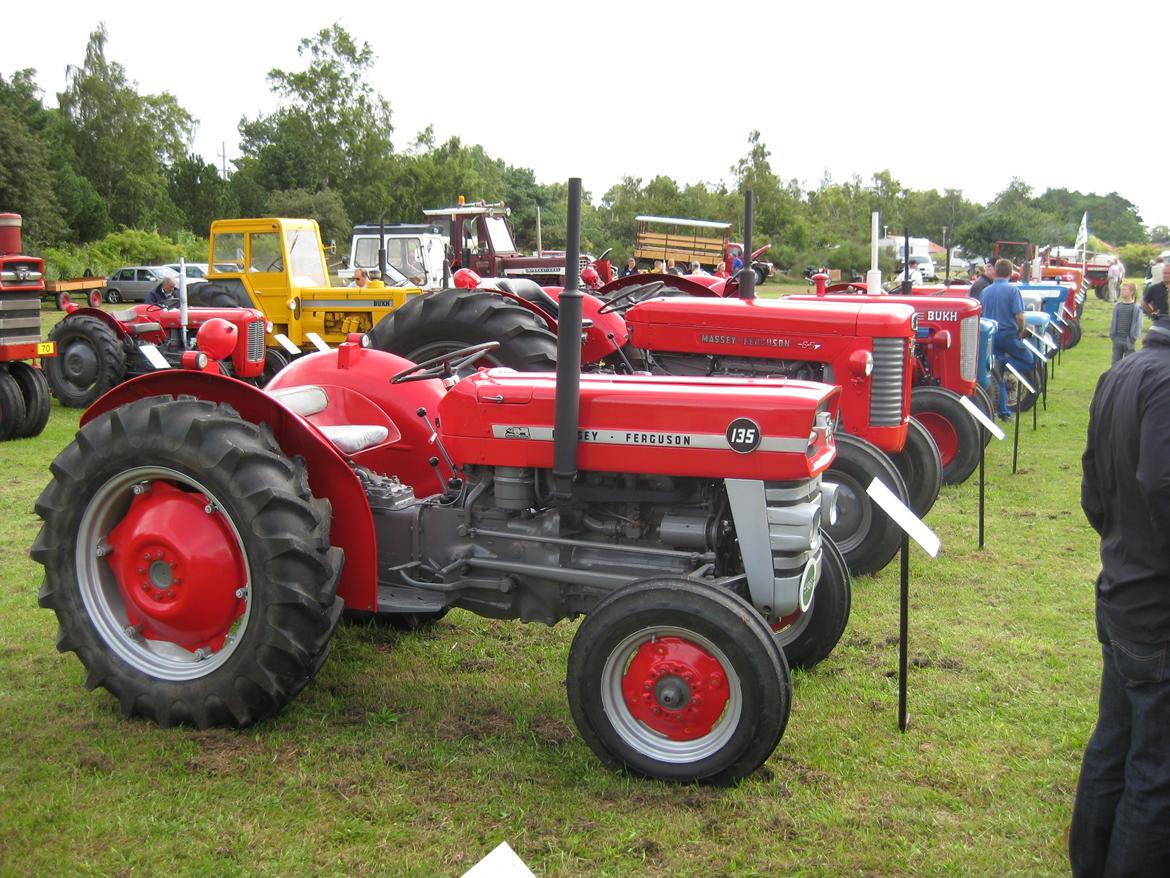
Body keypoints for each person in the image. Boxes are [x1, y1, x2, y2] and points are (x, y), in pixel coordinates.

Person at [1071, 311, 1170, 877]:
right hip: (1154, 603)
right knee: (1155, 774)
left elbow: (1093, 483)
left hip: (1123, 586)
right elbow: (1160, 482)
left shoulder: (1124, 370)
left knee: (1113, 747)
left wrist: (1121, 542)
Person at [982, 258, 1037, 420]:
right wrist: (1021, 331)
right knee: (1029, 361)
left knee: (996, 375)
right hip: (1008, 334)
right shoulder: (1013, 291)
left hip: (991, 336)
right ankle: (1006, 364)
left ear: (996, 271)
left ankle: (1004, 411)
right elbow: (1020, 316)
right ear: (1009, 273)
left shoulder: (986, 291)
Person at [1109, 283, 1143, 364]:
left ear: (1131, 292)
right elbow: (1114, 321)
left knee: (1129, 364)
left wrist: (1133, 338)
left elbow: (1138, 324)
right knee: (1115, 363)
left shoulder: (1136, 307)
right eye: (1121, 290)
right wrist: (1113, 336)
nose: (1122, 292)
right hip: (1117, 339)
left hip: (1129, 340)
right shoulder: (1118, 306)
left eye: (1124, 290)